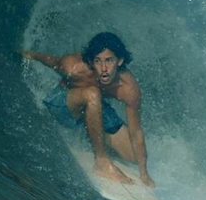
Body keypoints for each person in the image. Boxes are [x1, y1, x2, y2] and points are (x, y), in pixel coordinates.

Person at [23, 32, 155, 187]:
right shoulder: (74, 67)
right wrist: (27, 55)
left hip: (94, 107)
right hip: (63, 105)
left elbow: (136, 131)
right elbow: (49, 60)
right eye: (98, 61)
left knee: (134, 156)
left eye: (109, 60)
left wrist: (144, 173)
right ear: (91, 62)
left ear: (120, 61)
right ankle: (102, 162)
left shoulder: (129, 89)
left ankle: (94, 138)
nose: (104, 68)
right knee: (93, 93)